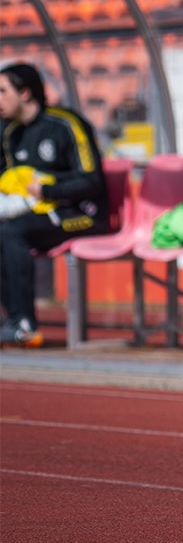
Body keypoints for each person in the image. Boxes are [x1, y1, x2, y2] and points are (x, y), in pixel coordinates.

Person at [0, 62, 107, 347]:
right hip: (38, 215)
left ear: (24, 93)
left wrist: (48, 190)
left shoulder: (66, 125)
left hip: (84, 214)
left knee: (11, 232)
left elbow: (92, 180)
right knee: (6, 229)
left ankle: (24, 323)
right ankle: (13, 321)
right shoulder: (10, 132)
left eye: (2, 91)